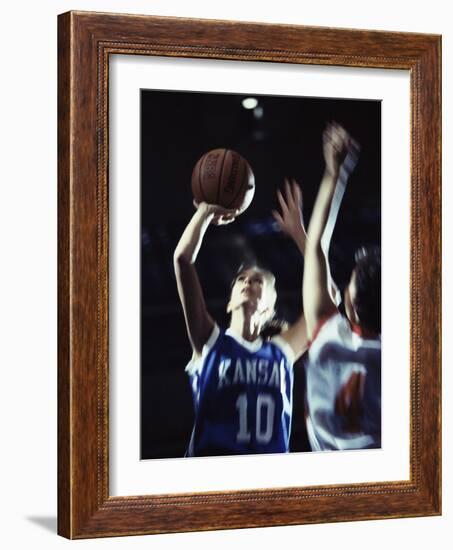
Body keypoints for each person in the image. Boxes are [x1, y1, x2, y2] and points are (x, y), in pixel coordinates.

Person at [173, 190, 308, 457]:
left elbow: (330, 298)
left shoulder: (281, 351)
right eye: (242, 280)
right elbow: (182, 260)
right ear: (229, 302)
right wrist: (204, 213)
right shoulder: (210, 341)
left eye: (258, 281)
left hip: (269, 486)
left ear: (269, 307)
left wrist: (301, 237)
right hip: (211, 480)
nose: (248, 282)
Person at [302, 122, 381, 451]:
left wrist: (336, 172)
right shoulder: (410, 357)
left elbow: (316, 245)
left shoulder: (325, 333)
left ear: (347, 300)